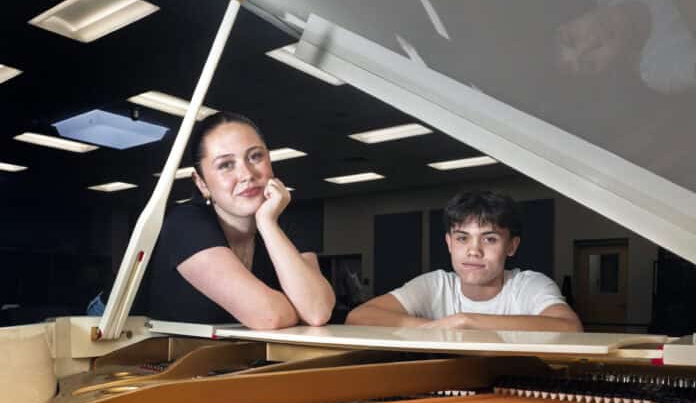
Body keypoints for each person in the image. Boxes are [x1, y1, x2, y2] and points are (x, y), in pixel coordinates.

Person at [146, 112, 335, 327]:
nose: (247, 174)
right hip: (169, 356)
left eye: (255, 156)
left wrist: (267, 224)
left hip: (251, 358)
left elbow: (317, 311)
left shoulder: (283, 220)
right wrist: (294, 309)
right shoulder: (184, 224)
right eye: (226, 165)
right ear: (201, 183)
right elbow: (271, 316)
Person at [346, 190, 582, 332]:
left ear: (511, 246)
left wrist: (468, 321)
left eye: (489, 239)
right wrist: (433, 328)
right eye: (462, 238)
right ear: (449, 243)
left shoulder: (528, 285)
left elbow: (569, 327)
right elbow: (358, 317)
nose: (474, 251)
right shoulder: (435, 285)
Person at [555, 0, 696, 94]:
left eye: (572, 38)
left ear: (572, 19)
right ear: (607, 73)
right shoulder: (658, 69)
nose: (592, 42)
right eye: (589, 64)